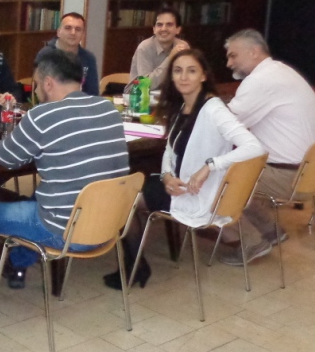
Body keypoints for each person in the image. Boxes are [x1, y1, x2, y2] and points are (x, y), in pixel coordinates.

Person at [0, 50, 130, 308]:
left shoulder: (42, 115)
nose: (35, 91)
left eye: (36, 84)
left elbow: (5, 157)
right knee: (39, 196)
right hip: (108, 223)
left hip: (64, 230)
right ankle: (18, 264)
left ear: (48, 83)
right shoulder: (108, 109)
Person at [104, 49, 264, 290]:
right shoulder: (183, 106)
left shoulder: (213, 109)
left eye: (191, 71)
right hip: (179, 184)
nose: (184, 77)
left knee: (123, 198)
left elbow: (254, 147)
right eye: (178, 71)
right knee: (128, 184)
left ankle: (134, 266)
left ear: (203, 76)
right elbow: (170, 150)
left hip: (197, 193)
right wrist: (167, 175)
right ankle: (135, 264)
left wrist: (210, 165)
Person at [217, 29, 315, 266]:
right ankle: (270, 230)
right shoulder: (281, 72)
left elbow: (226, 124)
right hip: (307, 173)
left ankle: (252, 242)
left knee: (212, 178)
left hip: (286, 175)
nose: (229, 63)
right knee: (233, 166)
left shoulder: (260, 80)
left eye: (233, 56)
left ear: (254, 52)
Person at [34, 12, 100, 95]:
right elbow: (41, 91)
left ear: (83, 35)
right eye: (68, 28)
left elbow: (93, 93)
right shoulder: (45, 55)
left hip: (80, 101)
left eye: (78, 29)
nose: (73, 33)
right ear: (58, 32)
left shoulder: (88, 58)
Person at [128, 7, 190, 88]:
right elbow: (145, 85)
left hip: (169, 93)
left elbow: (188, 78)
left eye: (169, 25)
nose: (163, 29)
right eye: (159, 25)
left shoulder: (182, 46)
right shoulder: (144, 48)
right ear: (154, 29)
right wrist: (170, 57)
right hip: (139, 94)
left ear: (178, 29)